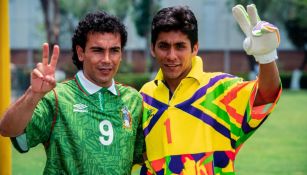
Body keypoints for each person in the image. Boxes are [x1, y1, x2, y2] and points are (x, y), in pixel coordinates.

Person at [135, 4, 282, 175]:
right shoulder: (144, 97)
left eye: (180, 46)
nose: (171, 56)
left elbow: (266, 95)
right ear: (153, 48)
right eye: (164, 46)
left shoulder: (221, 88)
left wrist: (266, 57)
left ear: (195, 48)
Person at [0, 11, 144, 174]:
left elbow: (147, 156)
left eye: (114, 50)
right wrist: (33, 94)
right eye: (98, 50)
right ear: (81, 52)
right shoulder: (57, 97)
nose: (106, 59)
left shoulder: (133, 100)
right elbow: (7, 129)